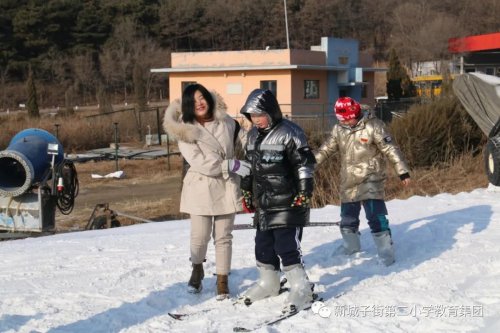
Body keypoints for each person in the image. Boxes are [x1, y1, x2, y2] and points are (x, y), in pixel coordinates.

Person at [163, 83, 249, 300]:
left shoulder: (227, 121)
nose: (199, 103)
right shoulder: (185, 129)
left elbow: (246, 142)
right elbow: (201, 162)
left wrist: (258, 133)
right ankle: (197, 268)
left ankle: (222, 281)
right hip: (201, 186)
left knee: (224, 237)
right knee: (200, 237)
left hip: (226, 186)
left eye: (201, 97)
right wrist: (229, 165)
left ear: (209, 98)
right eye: (193, 101)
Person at [238, 89, 317, 312]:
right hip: (264, 202)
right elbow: (248, 167)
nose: (255, 121)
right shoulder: (252, 135)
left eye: (259, 115)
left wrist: (304, 191)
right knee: (262, 246)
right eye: (251, 116)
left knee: (286, 245)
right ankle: (269, 282)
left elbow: (304, 164)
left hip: (288, 200)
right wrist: (246, 190)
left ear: (271, 112)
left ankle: (301, 287)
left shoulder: (290, 132)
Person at [314, 97, 411, 266]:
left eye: (348, 119)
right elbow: (326, 149)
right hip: (349, 179)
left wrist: (402, 171)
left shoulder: (374, 126)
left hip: (371, 177)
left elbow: (390, 149)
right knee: (348, 217)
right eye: (342, 120)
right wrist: (309, 166)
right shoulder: (339, 129)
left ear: (356, 113)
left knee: (375, 215)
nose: (347, 122)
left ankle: (385, 249)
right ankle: (351, 247)